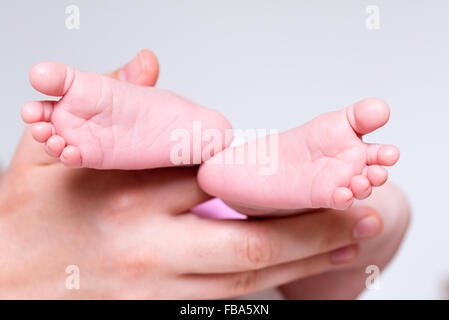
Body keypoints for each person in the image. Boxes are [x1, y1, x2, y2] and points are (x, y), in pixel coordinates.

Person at [0, 51, 410, 299]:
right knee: (381, 215)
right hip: (238, 274)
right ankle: (258, 192)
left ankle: (257, 193)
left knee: (364, 217)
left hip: (192, 250)